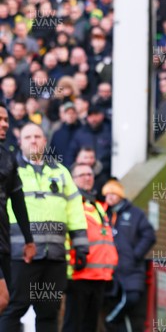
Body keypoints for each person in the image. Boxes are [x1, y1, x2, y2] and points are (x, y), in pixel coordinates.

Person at [0, 123, 88, 331]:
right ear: (19, 142)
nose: (33, 140)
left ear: (45, 141)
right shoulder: (11, 168)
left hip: (54, 257)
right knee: (14, 308)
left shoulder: (61, 172)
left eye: (37, 136)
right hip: (21, 255)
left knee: (49, 312)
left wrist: (81, 245)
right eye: (28, 136)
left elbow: (75, 209)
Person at [62, 163, 118, 332]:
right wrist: (68, 268)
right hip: (79, 273)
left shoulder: (98, 206)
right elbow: (65, 236)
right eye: (82, 175)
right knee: (73, 325)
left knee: (90, 326)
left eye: (90, 174)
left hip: (99, 276)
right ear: (73, 179)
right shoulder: (70, 203)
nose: (87, 177)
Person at [104, 178, 156, 332]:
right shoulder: (102, 213)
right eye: (107, 194)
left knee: (132, 299)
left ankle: (110, 320)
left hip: (130, 268)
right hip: (109, 270)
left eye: (113, 193)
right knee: (112, 302)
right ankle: (112, 322)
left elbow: (149, 235)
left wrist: (135, 254)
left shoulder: (135, 213)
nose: (110, 197)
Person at [0, 104, 35, 314]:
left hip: (3, 240)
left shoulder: (8, 157)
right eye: (0, 119)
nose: (4, 124)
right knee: (2, 298)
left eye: (6, 120)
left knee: (6, 299)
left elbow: (18, 200)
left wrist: (29, 239)